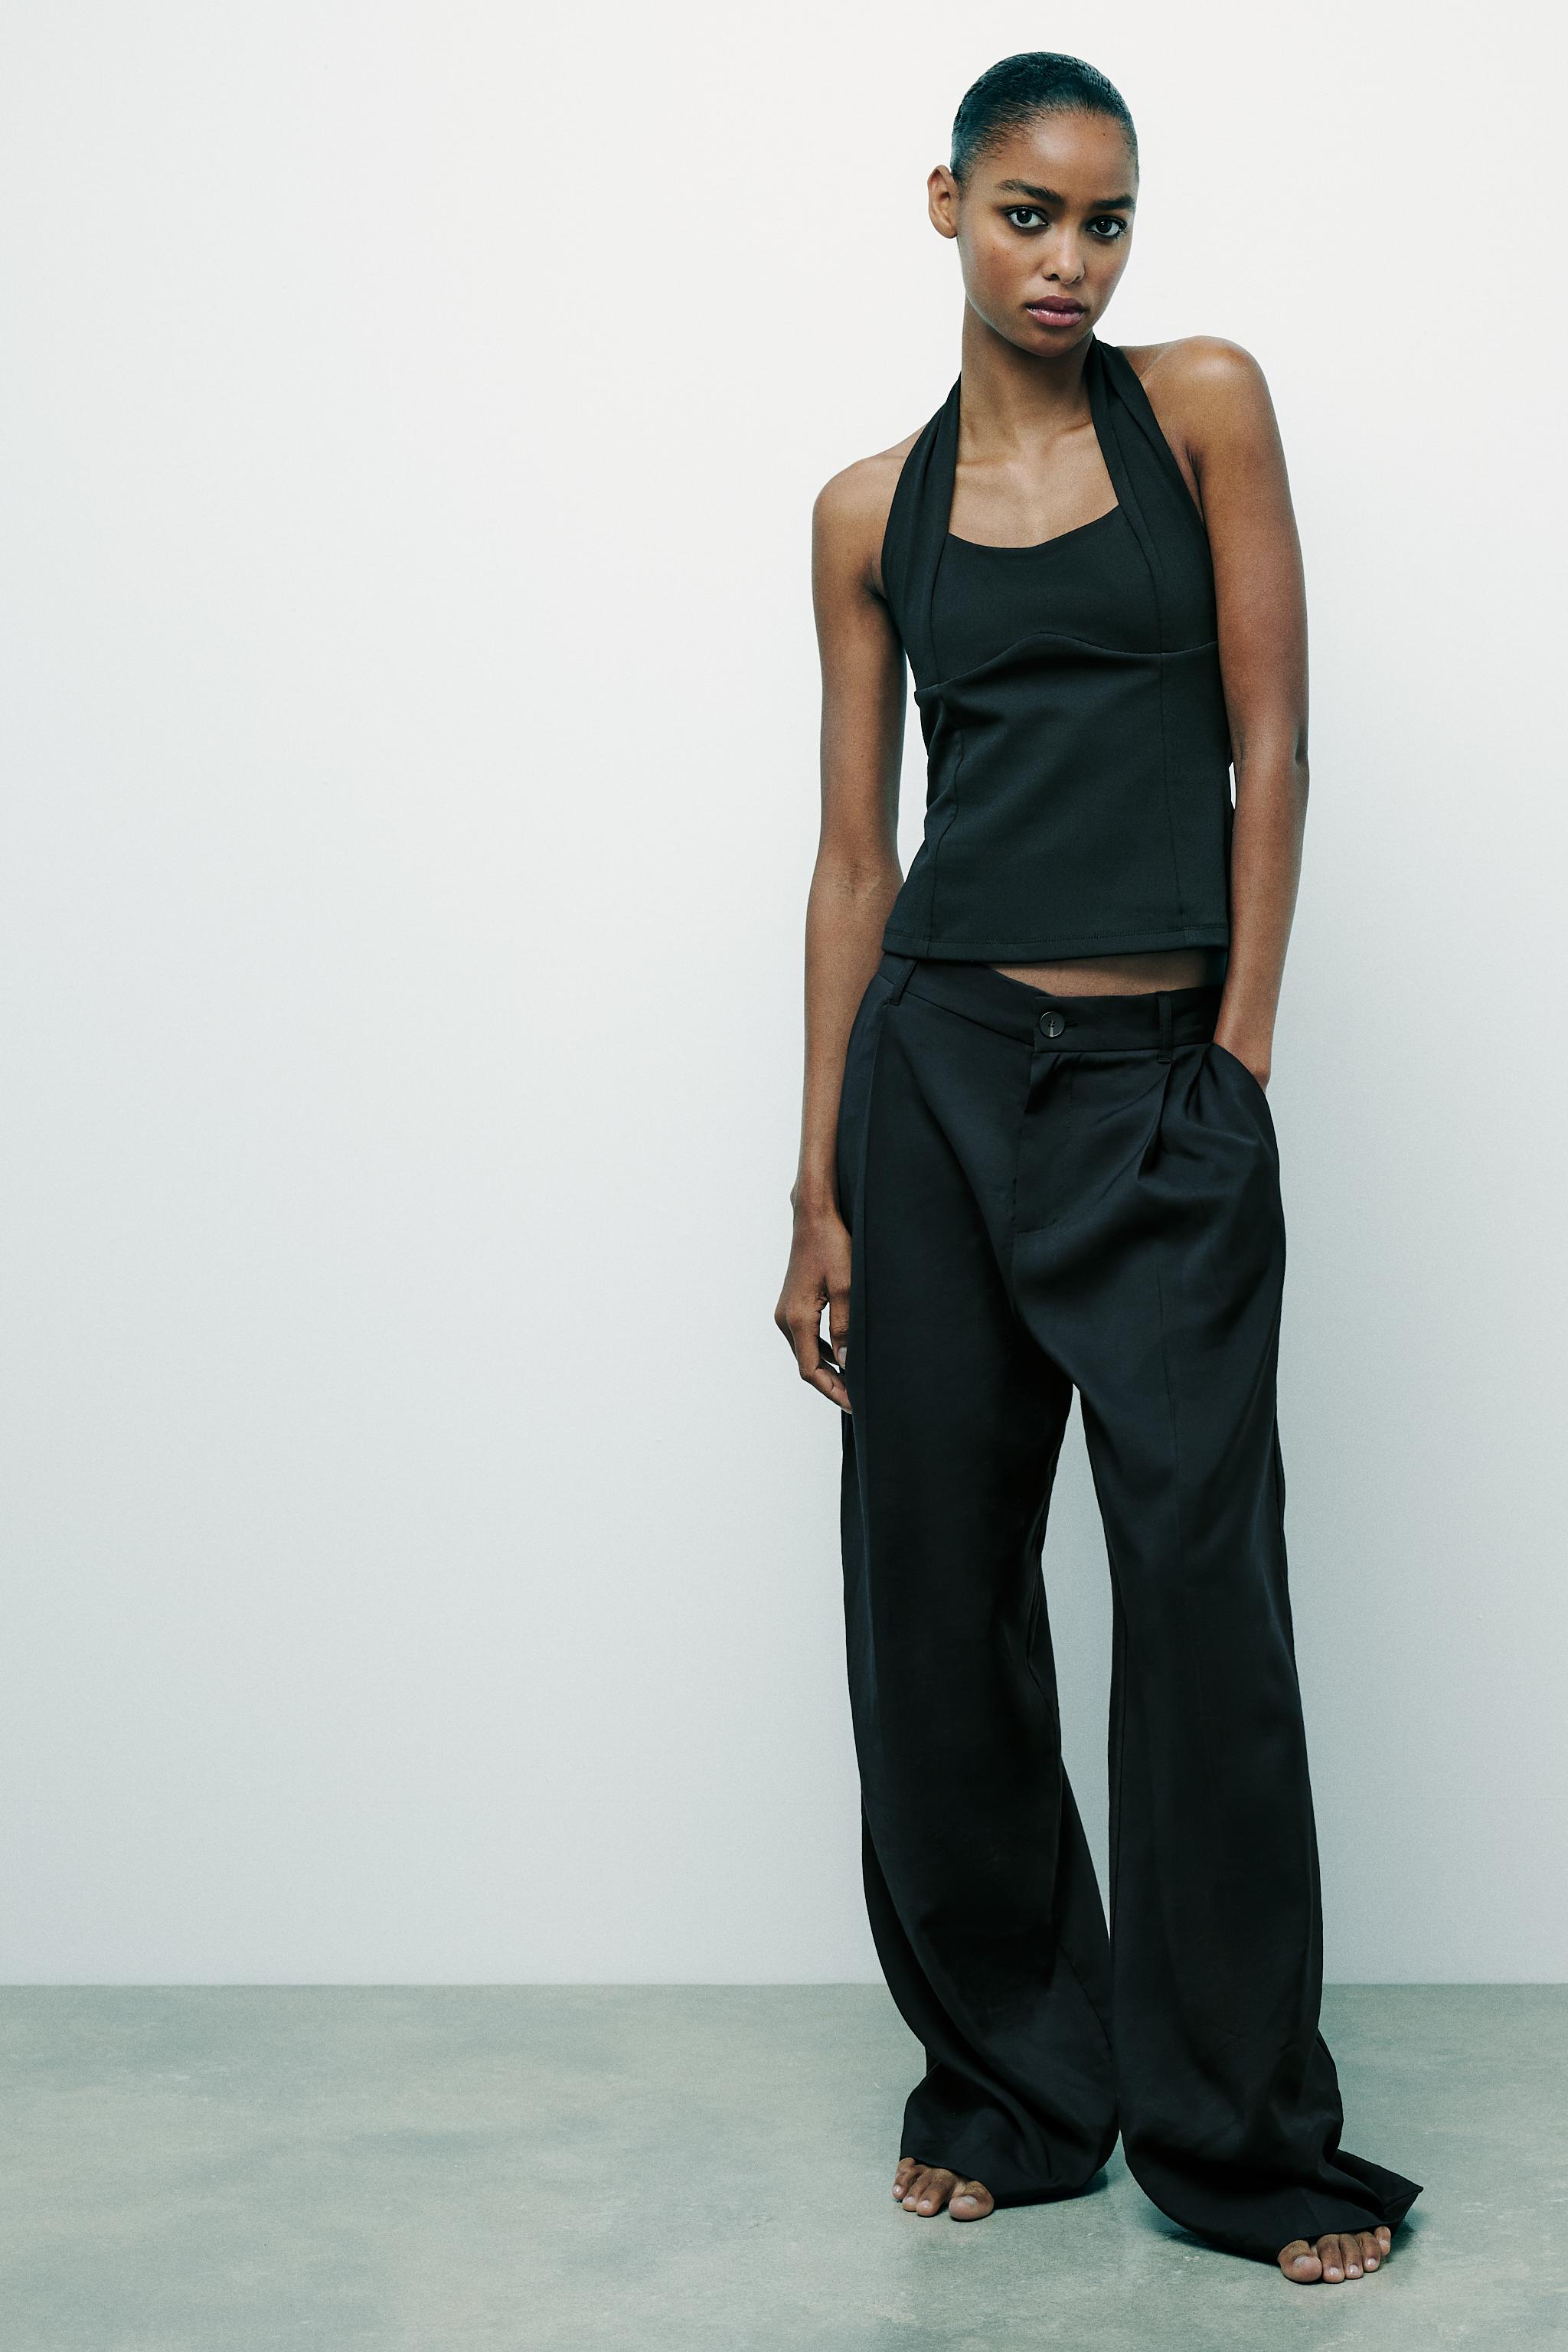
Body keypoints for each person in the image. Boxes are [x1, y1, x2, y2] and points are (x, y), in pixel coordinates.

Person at [773, 52, 1423, 2285]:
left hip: (1159, 1083)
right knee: (936, 1603)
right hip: (938, 1081)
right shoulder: (868, 514)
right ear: (945, 205)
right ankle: (1016, 2083)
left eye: (1107, 219)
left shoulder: (1203, 408)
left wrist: (1235, 1057)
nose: (1070, 261)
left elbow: (1273, 737)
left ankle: (1237, 2128)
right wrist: (816, 1184)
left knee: (1204, 1602)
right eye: (1030, 214)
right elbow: (854, 860)